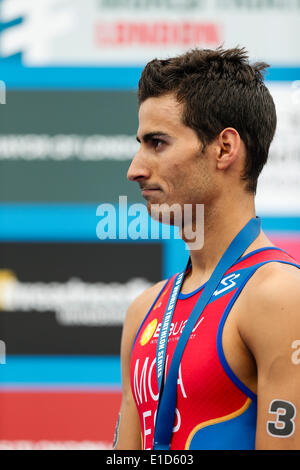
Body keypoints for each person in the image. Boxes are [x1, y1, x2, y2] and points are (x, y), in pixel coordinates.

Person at [114, 47, 300, 450]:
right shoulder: (144, 310)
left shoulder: (280, 296)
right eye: (140, 144)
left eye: (157, 143)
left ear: (224, 149)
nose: (135, 168)